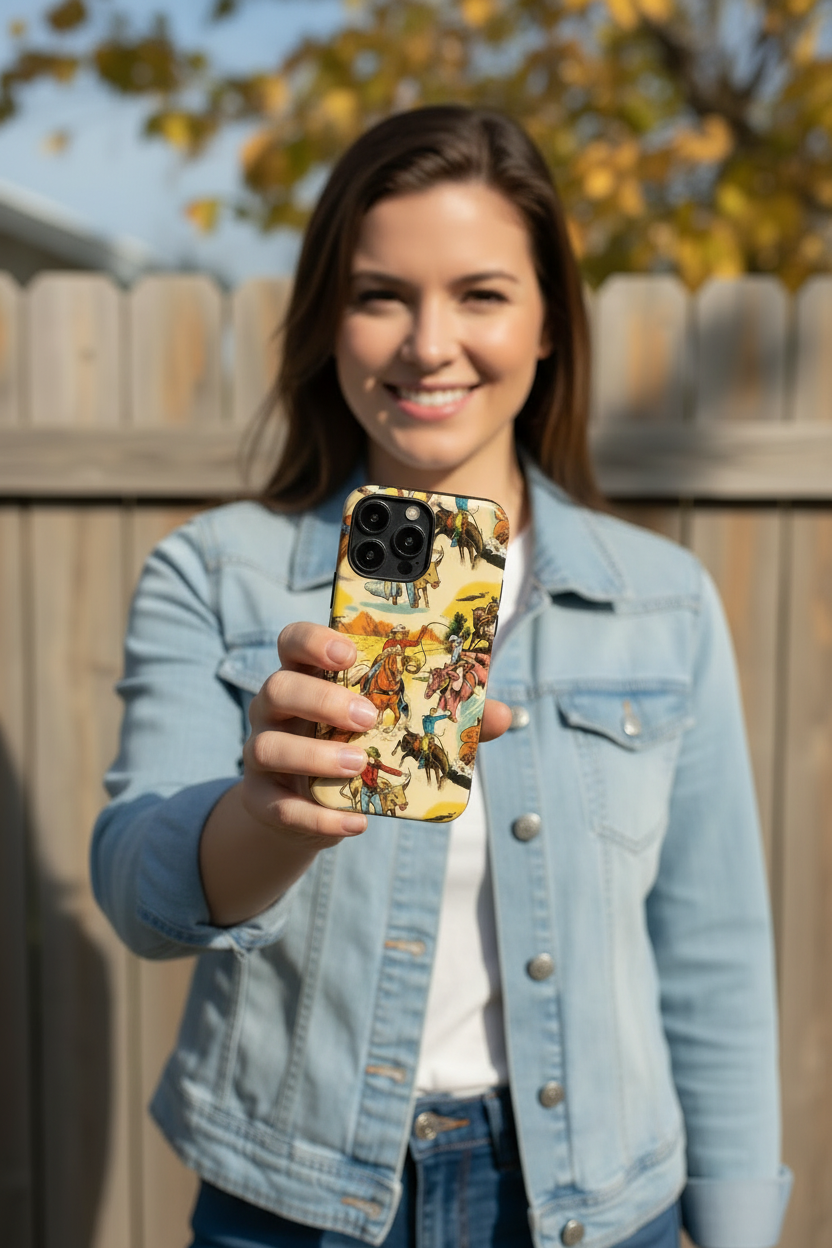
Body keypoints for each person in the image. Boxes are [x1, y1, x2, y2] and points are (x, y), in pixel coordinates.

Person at [90, 106, 791, 1248]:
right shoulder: (214, 572)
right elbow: (137, 892)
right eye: (380, 296)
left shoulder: (663, 603)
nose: (427, 344)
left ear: (548, 323)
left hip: (603, 1207)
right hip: (295, 1208)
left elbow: (711, 954)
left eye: (480, 294)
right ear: (327, 322)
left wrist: (740, 1226)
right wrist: (266, 815)